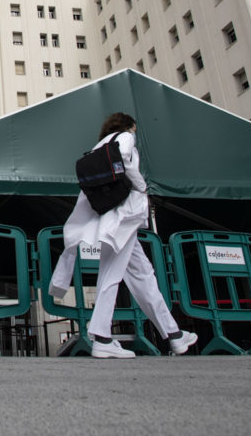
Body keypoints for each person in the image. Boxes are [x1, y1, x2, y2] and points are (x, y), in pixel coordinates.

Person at [49, 112, 198, 359]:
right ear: (128, 126)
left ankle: (174, 335)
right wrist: (142, 186)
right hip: (123, 219)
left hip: (112, 218)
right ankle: (102, 337)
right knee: (111, 275)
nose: (135, 133)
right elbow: (126, 162)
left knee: (144, 276)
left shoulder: (100, 145)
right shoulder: (124, 138)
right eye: (135, 129)